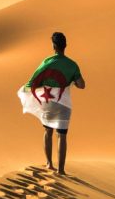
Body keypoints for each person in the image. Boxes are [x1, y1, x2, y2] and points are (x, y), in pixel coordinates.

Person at [18, 31, 85, 175]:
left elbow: (34, 81)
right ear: (65, 46)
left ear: (53, 46)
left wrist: (27, 89)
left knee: (48, 131)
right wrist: (71, 79)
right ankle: (61, 170)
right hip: (64, 103)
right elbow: (81, 85)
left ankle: (49, 163)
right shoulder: (72, 65)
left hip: (48, 102)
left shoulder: (47, 62)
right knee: (62, 135)